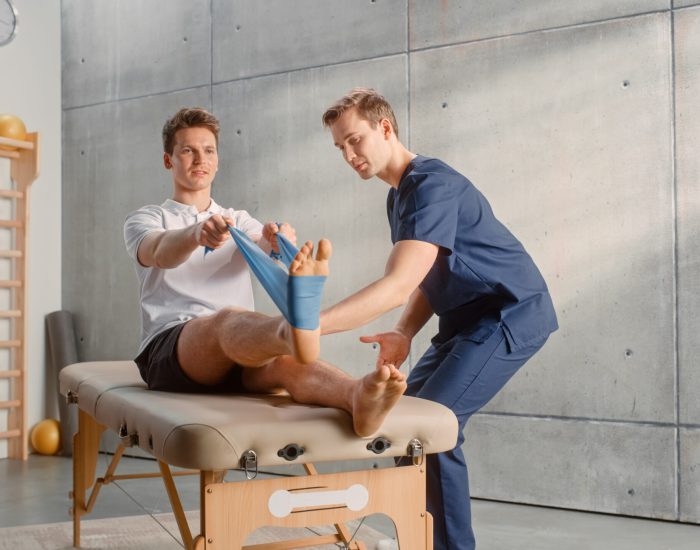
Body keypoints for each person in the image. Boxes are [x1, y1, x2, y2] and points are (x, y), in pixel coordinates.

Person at [320, 89, 558, 550]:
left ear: (385, 128)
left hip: (508, 312)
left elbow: (396, 284)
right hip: (463, 322)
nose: (349, 156)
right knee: (401, 427)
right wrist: (404, 331)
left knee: (432, 430)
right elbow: (428, 276)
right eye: (339, 148)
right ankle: (422, 540)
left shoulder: (432, 186)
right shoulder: (398, 197)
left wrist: (309, 328)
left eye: (355, 140)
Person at [123, 106, 406, 437]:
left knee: (288, 363)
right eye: (188, 151)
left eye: (209, 151)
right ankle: (291, 331)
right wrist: (196, 234)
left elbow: (265, 241)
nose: (200, 159)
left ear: (217, 160)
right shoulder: (146, 219)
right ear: (168, 160)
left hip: (239, 352)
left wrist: (279, 238)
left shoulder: (237, 220)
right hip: (170, 351)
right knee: (227, 321)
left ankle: (356, 395)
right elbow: (158, 252)